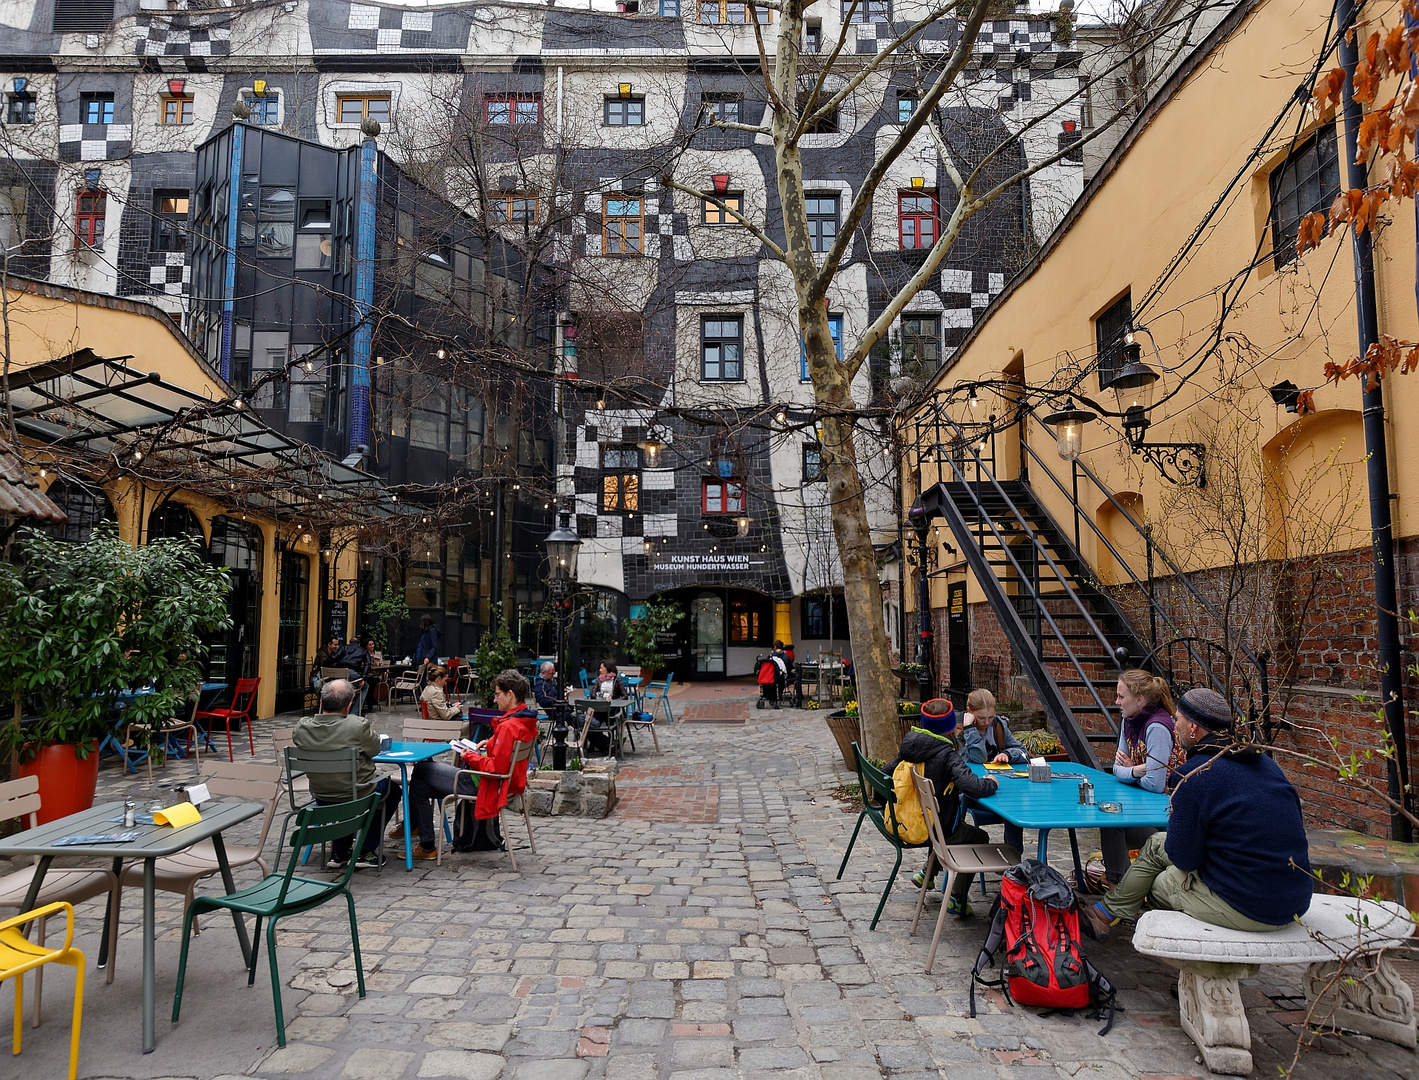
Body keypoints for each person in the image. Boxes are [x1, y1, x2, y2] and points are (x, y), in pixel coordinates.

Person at [1080, 688, 1312, 940]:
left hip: (1248, 907)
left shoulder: (1193, 775)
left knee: (1159, 884)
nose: (1173, 726)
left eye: (1177, 719)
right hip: (1294, 899)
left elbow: (1184, 859)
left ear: (1193, 727)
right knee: (1156, 842)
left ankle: (1117, 917)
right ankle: (1105, 912)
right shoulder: (1266, 764)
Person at [405, 669, 539, 860]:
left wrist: (469, 756)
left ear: (510, 695)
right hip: (501, 783)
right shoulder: (524, 720)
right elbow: (504, 754)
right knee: (418, 787)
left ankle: (414, 830)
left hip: (484, 784)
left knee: (422, 768)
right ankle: (425, 844)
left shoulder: (509, 726)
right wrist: (490, 743)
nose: (495, 699)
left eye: (497, 694)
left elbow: (496, 768)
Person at [888, 699, 1001, 918]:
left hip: (919, 821)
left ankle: (928, 874)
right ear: (951, 727)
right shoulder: (947, 755)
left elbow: (886, 773)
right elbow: (972, 785)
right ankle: (957, 898)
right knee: (978, 836)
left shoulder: (911, 746)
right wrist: (991, 783)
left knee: (940, 821)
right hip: (939, 828)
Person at [292, 679, 394, 868]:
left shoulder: (302, 728)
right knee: (391, 790)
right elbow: (374, 750)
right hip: (355, 792)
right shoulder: (357, 726)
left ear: (321, 703)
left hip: (321, 792)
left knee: (347, 787)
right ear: (348, 706)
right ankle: (366, 850)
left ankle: (339, 852)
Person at [1101, 670, 1185, 885]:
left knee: (1114, 824)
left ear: (1139, 700)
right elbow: (1117, 769)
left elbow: (1156, 785)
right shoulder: (1128, 722)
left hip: (1168, 821)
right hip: (1146, 808)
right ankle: (1118, 886)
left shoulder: (1157, 727)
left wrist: (1131, 772)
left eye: (1121, 696)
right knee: (1110, 822)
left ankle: (1120, 890)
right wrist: (1137, 770)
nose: (1117, 701)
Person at [959, 688, 1027, 854]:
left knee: (1013, 806)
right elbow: (978, 758)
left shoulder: (999, 725)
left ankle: (1013, 859)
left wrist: (1007, 754)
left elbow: (1023, 752)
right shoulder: (960, 730)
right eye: (981, 718)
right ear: (969, 712)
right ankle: (1012, 862)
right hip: (973, 791)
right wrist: (970, 729)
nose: (986, 722)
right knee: (1010, 808)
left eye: (990, 717)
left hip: (999, 786)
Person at [333, 636, 372, 715]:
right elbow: (368, 664)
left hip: (337, 673)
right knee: (364, 687)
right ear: (359, 644)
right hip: (350, 673)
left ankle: (336, 710)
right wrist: (363, 678)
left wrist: (326, 666)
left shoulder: (343, 647)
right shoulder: (363, 650)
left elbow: (333, 657)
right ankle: (354, 712)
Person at [414, 615, 442, 685]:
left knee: (427, 681)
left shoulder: (431, 632)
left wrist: (428, 657)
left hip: (428, 661)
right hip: (423, 660)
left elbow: (434, 647)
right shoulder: (426, 632)